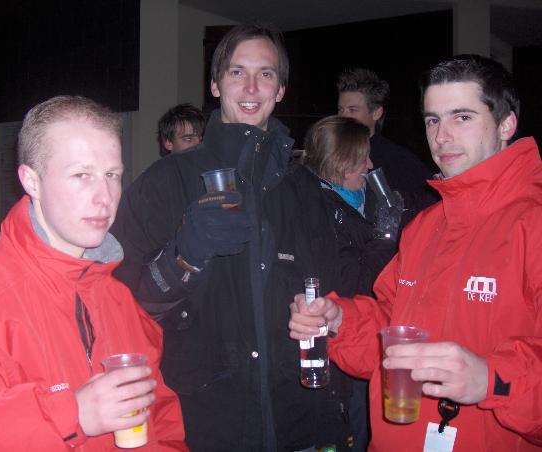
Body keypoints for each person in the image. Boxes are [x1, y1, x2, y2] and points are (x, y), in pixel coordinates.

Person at [112, 24, 354, 451]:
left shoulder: (304, 190)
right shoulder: (167, 182)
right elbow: (119, 303)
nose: (251, 87)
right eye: (237, 72)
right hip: (205, 423)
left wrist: (336, 306)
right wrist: (183, 257)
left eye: (266, 74)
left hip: (297, 421)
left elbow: (339, 295)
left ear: (281, 90)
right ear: (215, 84)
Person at [290, 54, 542, 451]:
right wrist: (340, 320)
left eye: (462, 117)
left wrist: (492, 379)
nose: (442, 136)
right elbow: (393, 336)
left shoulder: (533, 223)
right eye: (432, 120)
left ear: (506, 124)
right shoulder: (425, 227)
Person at [0, 95, 187, 451]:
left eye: (112, 175)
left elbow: (162, 421)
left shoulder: (120, 300)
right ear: (32, 181)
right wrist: (72, 415)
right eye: (81, 175)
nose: (105, 197)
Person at [304, 115, 404, 451]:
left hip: (369, 335)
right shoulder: (320, 211)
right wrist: (385, 237)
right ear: (341, 163)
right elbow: (355, 286)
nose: (370, 165)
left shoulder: (358, 199)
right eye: (363, 158)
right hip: (343, 353)